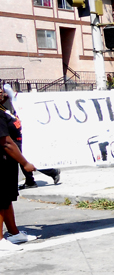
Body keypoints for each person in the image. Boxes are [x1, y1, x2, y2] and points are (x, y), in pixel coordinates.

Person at [0, 85, 60, 191]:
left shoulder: (2, 108)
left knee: (25, 160)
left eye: (1, 91)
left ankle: (51, 172)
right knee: (22, 159)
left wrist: (9, 96)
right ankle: (31, 181)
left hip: (17, 139)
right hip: (12, 139)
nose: (2, 93)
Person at [1, 91, 38, 251]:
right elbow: (6, 143)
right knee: (0, 200)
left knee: (6, 199)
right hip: (1, 161)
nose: (1, 90)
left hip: (7, 163)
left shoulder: (3, 108)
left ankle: (14, 233)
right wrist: (25, 163)